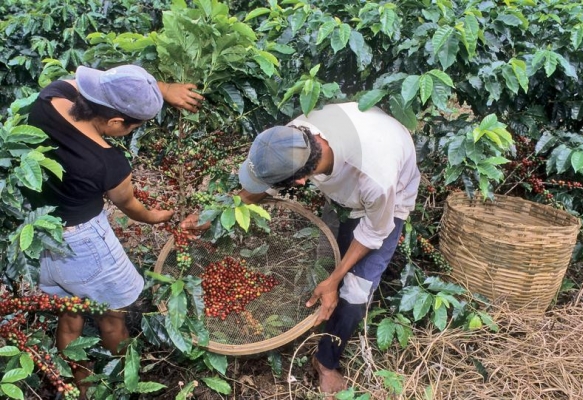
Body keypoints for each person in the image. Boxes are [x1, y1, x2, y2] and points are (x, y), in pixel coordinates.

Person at [182, 102, 421, 397]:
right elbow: (263, 186)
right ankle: (329, 298)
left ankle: (327, 362)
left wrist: (335, 280)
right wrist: (215, 213)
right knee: (329, 255)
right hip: (347, 189)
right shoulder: (291, 138)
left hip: (388, 201)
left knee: (355, 291)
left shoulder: (376, 180)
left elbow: (374, 232)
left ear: (300, 181)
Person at [27, 64, 203, 397]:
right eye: (133, 126)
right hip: (84, 244)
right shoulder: (108, 163)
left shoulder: (50, 97)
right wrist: (155, 217)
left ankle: (79, 389)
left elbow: (99, 84)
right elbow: (130, 206)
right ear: (115, 122)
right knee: (112, 317)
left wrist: (162, 89)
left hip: (41, 234)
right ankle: (122, 384)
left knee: (70, 316)